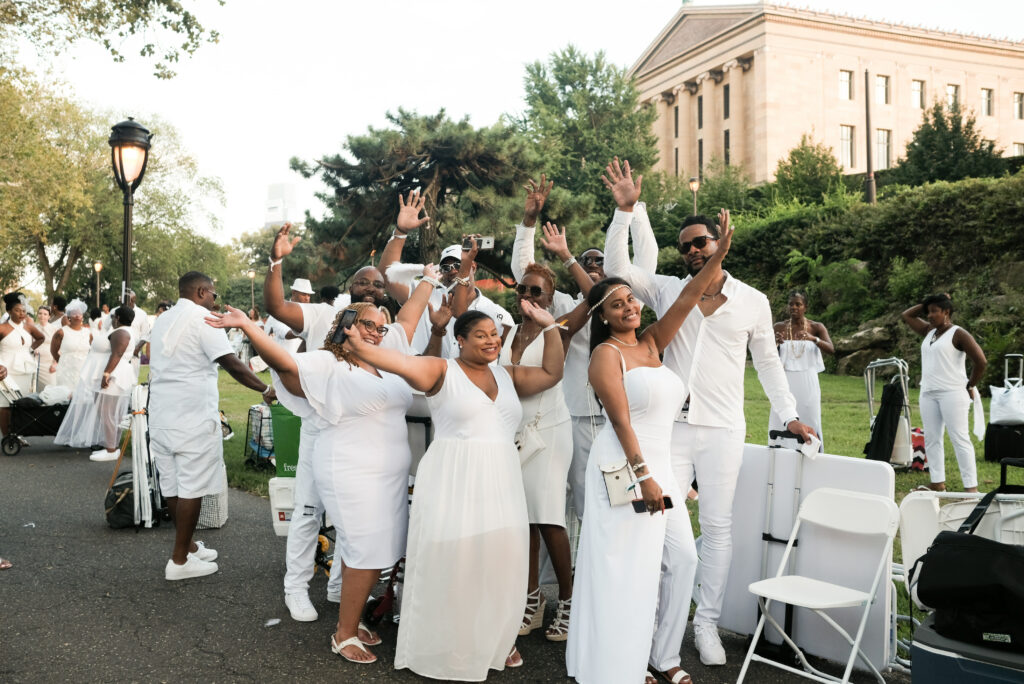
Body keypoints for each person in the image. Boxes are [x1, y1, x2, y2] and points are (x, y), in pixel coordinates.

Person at [602, 158, 814, 669]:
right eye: (687, 246)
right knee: (658, 523)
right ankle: (651, 619)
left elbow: (767, 363)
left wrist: (787, 415)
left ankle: (706, 622)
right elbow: (617, 271)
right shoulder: (670, 290)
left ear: (719, 242)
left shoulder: (754, 301)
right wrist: (625, 212)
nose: (694, 250)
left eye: (702, 242)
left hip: (723, 428)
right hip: (667, 431)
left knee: (718, 526)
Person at [346, 303, 564, 680]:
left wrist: (550, 327)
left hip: (502, 478)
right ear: (459, 340)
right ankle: (447, 644)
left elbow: (552, 373)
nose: (491, 341)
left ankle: (494, 638)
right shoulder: (441, 369)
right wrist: (359, 345)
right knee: (455, 560)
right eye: (480, 335)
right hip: (454, 478)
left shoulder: (507, 375)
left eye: (495, 334)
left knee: (498, 560)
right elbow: (396, 362)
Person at [568, 209, 731, 684]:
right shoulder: (605, 354)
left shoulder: (654, 343)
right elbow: (620, 422)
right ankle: (623, 664)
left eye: (630, 299)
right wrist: (644, 475)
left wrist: (717, 256)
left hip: (660, 466)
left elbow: (689, 295)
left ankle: (664, 656)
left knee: (682, 559)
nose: (628, 307)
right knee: (626, 570)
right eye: (616, 304)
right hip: (624, 467)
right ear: (602, 316)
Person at [207, 300, 417, 664]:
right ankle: (344, 632)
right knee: (364, 549)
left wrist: (428, 282)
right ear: (346, 324)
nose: (376, 333)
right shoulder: (329, 361)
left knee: (374, 548)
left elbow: (411, 321)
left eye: (381, 328)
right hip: (350, 470)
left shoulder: (385, 363)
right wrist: (248, 326)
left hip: (388, 476)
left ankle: (352, 619)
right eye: (368, 325)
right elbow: (285, 363)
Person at [262, 224, 438, 622]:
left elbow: (409, 317)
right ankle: (296, 587)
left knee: (358, 521)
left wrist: (425, 277)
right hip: (322, 426)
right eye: (364, 282)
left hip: (367, 441)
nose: (372, 288)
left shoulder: (385, 333)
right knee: (308, 510)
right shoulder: (324, 314)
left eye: (378, 285)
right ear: (351, 288)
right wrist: (276, 262)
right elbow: (276, 307)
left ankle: (341, 586)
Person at [511, 175, 658, 524]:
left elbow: (637, 265)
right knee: (573, 493)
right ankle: (565, 571)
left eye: (598, 262)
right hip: (576, 413)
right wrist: (529, 221)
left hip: (623, 415)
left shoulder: (622, 307)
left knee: (616, 495)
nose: (592, 267)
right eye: (585, 262)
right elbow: (525, 271)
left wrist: (634, 211)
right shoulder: (562, 306)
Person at [149, 272, 273, 581]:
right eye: (214, 295)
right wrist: (265, 390)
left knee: (174, 483)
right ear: (203, 292)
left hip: (162, 415)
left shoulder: (163, 318)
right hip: (192, 415)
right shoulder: (203, 319)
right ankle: (179, 561)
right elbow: (232, 364)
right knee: (192, 486)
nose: (215, 300)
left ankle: (187, 546)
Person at [378, 190, 512, 356]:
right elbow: (386, 275)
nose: (453, 271)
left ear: (473, 266)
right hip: (423, 378)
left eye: (459, 264)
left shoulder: (495, 312)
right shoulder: (424, 294)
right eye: (446, 267)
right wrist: (400, 232)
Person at [901, 293, 986, 492]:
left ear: (946, 312)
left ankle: (971, 488)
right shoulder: (930, 331)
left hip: (953, 393)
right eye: (928, 312)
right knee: (932, 438)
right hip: (928, 392)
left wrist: (970, 385)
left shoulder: (958, 334)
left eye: (934, 311)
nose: (929, 315)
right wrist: (928, 301)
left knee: (959, 438)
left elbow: (981, 361)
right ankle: (937, 482)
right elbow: (907, 315)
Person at [55, 306, 138, 461]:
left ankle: (111, 449)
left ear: (118, 318)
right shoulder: (121, 331)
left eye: (113, 316)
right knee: (106, 412)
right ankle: (110, 446)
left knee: (108, 413)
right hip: (112, 374)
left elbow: (117, 353)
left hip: (114, 376)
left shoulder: (121, 332)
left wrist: (106, 373)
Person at [770, 290, 834, 449]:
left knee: (810, 415)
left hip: (808, 380)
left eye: (798, 304)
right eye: (791, 304)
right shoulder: (779, 327)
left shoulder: (816, 327)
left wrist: (814, 339)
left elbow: (831, 349)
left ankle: (811, 449)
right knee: (783, 415)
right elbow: (766, 353)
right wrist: (775, 343)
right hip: (785, 380)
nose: (794, 307)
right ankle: (781, 451)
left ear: (805, 306)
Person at [0, 293, 45, 439]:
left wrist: (31, 349)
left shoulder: (29, 327)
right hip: (5, 370)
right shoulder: (3, 328)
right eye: (17, 310)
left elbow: (41, 338)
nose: (21, 313)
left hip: (24, 370)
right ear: (9, 311)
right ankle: (8, 438)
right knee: (5, 405)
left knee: (20, 404)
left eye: (23, 311)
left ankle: (17, 435)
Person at [51, 300, 93, 391]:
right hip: (66, 371)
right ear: (69, 316)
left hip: (83, 370)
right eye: (74, 314)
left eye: (79, 314)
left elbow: (92, 351)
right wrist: (62, 361)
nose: (77, 316)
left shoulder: (88, 333)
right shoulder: (61, 332)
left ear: (82, 316)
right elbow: (53, 350)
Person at [33, 305, 58, 390]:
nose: (42, 316)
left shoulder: (54, 329)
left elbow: (58, 347)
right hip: (35, 362)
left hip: (49, 364)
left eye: (45, 314)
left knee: (50, 388)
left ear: (49, 316)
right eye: (40, 313)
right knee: (35, 388)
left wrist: (55, 364)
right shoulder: (34, 328)